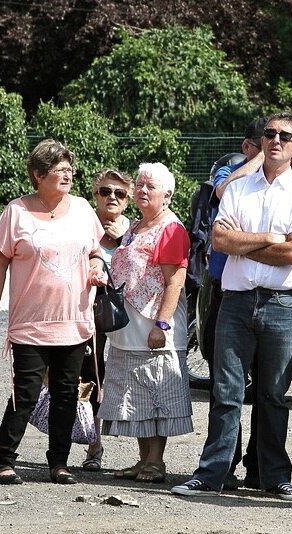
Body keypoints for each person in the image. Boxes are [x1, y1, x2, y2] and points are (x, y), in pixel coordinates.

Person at [171, 112, 292, 500]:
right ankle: (212, 474)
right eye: (269, 133)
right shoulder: (238, 189)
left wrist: (248, 242)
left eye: (285, 136)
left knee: (273, 393)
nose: (275, 140)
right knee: (226, 391)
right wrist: (270, 237)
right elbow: (220, 242)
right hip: (236, 302)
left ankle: (274, 477)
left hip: (282, 303)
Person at [0, 139, 107, 486]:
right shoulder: (16, 212)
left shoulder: (82, 210)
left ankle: (59, 464)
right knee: (26, 392)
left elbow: (95, 252)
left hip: (74, 320)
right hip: (31, 323)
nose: (68, 174)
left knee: (67, 394)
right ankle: (4, 461)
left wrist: (97, 268)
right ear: (38, 174)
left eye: (69, 169)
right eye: (59, 169)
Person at [96, 162, 192, 484]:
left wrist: (161, 325)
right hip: (129, 330)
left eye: (150, 186)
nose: (142, 190)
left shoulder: (171, 229)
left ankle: (156, 462)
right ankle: (142, 460)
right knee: (137, 398)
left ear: (167, 194)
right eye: (139, 184)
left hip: (154, 329)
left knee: (157, 397)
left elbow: (175, 283)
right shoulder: (135, 226)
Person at [204, 118, 268, 490]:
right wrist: (256, 161)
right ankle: (223, 464)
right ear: (247, 146)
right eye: (263, 142)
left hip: (267, 291)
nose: (272, 148)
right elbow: (222, 191)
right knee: (225, 383)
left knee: (266, 387)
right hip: (224, 291)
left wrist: (245, 242)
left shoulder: (288, 184)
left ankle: (259, 466)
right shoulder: (232, 171)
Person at [79, 168, 133, 472]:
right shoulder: (83, 224)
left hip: (127, 313)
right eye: (105, 191)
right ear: (95, 194)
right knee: (91, 377)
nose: (112, 197)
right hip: (89, 311)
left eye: (119, 193)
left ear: (127, 201)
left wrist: (123, 240)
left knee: (123, 376)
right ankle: (93, 445)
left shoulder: (135, 229)